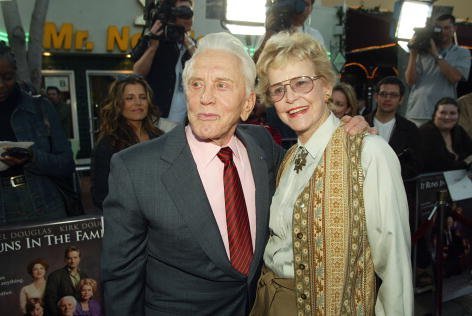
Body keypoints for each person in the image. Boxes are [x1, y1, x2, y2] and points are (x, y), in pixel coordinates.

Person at [101, 32, 369, 315]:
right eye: (196, 84)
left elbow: (313, 161)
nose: (205, 97)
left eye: (221, 85)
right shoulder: (135, 168)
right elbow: (120, 283)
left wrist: (347, 130)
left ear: (248, 104)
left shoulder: (263, 147)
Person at [252, 32, 413, 315]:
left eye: (301, 83)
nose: (290, 98)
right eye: (278, 90)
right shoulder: (289, 158)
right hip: (269, 302)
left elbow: (395, 265)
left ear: (326, 87)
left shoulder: (369, 153)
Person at [0, 41, 75, 225]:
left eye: (7, 77)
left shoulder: (40, 107)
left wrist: (32, 157)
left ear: (16, 73)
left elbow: (66, 163)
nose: (0, 85)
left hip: (46, 204)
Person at [90, 75, 163, 209]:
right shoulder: (108, 144)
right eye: (130, 98)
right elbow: (101, 195)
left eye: (142, 97)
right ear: (118, 103)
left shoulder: (160, 137)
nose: (138, 103)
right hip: (131, 222)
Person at [132, 0, 195, 123]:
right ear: (171, 15)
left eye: (190, 12)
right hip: (157, 118)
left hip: (185, 121)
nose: (188, 17)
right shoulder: (154, 39)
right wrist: (153, 46)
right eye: (183, 12)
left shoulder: (192, 45)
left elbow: (205, 69)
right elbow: (137, 73)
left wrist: (189, 44)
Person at [405, 14, 471, 126]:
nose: (442, 32)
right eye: (439, 28)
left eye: (446, 28)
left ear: (454, 29)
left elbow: (455, 78)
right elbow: (410, 81)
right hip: (417, 112)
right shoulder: (423, 52)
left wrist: (435, 54)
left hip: (444, 114)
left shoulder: (462, 53)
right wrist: (413, 54)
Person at [365, 76, 422, 180]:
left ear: (401, 100)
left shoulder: (410, 129)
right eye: (383, 94)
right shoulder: (362, 124)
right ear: (376, 97)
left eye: (393, 95)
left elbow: (415, 166)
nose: (388, 98)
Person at [419, 97, 472, 173]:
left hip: (457, 179)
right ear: (435, 114)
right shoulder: (425, 132)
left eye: (452, 113)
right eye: (443, 113)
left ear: (458, 116)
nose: (447, 117)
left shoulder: (458, 130)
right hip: (431, 180)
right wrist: (466, 162)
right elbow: (441, 165)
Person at [44, 246, 87, 316]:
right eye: (69, 258)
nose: (73, 261)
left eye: (75, 258)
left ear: (79, 259)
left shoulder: (84, 276)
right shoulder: (55, 276)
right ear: (65, 259)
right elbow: (50, 300)